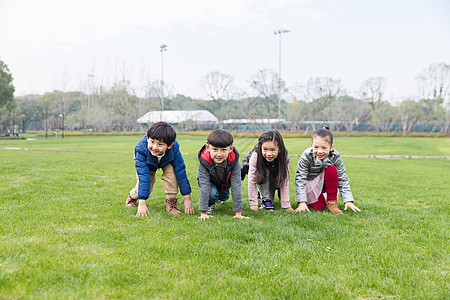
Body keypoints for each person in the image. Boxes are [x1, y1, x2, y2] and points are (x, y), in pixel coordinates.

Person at [125, 122, 194, 217]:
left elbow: (181, 172)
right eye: (152, 141)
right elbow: (143, 177)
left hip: (166, 159)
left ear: (169, 145)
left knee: (172, 174)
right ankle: (132, 196)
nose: (154, 147)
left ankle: (171, 204)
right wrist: (142, 204)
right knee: (147, 183)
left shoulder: (174, 149)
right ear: (147, 138)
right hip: (148, 161)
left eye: (160, 144)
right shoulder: (140, 150)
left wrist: (187, 198)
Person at [294, 127, 361, 214]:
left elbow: (342, 178)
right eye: (316, 147)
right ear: (311, 146)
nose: (320, 151)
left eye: (324, 148)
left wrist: (348, 200)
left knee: (331, 169)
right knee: (320, 207)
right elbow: (300, 178)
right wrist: (302, 201)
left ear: (331, 147)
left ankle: (332, 203)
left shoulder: (335, 156)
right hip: (311, 184)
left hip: (326, 182)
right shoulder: (306, 156)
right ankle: (320, 197)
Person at [197, 129, 249, 220]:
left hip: (225, 182)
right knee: (212, 193)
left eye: (224, 150)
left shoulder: (234, 161)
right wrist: (203, 212)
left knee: (223, 197)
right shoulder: (204, 161)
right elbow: (205, 186)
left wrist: (238, 213)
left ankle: (222, 196)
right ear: (207, 147)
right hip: (210, 181)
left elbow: (236, 185)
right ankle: (210, 204)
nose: (219, 154)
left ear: (231, 149)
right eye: (215, 149)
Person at [244, 130, 293, 211]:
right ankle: (264, 198)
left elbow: (285, 181)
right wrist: (253, 203)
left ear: (279, 149)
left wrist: (286, 205)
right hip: (263, 177)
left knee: (280, 183)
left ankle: (268, 195)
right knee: (270, 202)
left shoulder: (284, 156)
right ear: (260, 148)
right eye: (265, 149)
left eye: (273, 150)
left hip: (276, 176)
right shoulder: (255, 155)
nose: (268, 154)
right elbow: (251, 180)